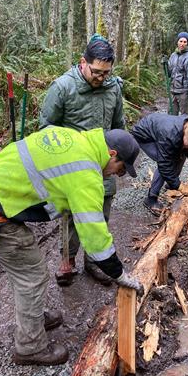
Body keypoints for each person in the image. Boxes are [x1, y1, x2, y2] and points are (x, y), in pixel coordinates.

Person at [0, 125, 143, 366]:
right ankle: (30, 347)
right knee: (31, 276)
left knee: (28, 268)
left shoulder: (76, 138)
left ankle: (32, 320)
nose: (116, 175)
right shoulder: (86, 174)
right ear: (112, 154)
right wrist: (119, 273)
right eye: (120, 169)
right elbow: (94, 234)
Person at [39, 34, 125, 286]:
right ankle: (67, 260)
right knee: (71, 214)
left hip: (104, 164)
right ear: (82, 62)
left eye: (106, 73)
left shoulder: (113, 88)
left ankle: (94, 261)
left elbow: (118, 126)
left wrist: (122, 155)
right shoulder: (63, 87)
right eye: (97, 72)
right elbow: (46, 129)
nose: (101, 78)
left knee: (100, 213)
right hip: (72, 167)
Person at [130, 113, 188, 214]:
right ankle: (151, 199)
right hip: (144, 136)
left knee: (182, 152)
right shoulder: (170, 135)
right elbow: (164, 165)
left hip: (162, 133)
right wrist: (179, 186)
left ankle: (171, 184)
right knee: (167, 162)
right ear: (184, 133)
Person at [165, 32, 188, 115]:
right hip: (172, 91)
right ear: (177, 42)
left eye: (185, 42)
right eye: (180, 41)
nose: (182, 44)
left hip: (184, 93)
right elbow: (169, 74)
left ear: (187, 43)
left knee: (185, 119)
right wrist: (164, 65)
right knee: (171, 117)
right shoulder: (173, 55)